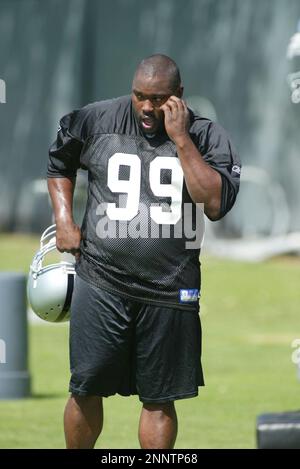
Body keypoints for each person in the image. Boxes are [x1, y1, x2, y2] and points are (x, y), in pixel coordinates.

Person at [47, 54, 241, 449]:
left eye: (158, 98)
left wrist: (181, 139)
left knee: (159, 398)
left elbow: (215, 204)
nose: (148, 108)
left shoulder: (206, 136)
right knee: (85, 387)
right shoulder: (96, 119)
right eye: (140, 97)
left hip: (171, 289)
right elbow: (58, 165)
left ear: (179, 95)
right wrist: (65, 220)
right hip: (101, 279)